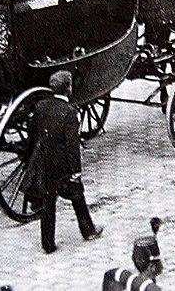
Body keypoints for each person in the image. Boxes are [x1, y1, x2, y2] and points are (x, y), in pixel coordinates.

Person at [27, 70, 104, 254]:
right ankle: (88, 230)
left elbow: (32, 134)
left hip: (46, 164)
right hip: (63, 167)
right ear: (68, 89)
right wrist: (76, 171)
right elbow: (72, 146)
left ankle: (48, 244)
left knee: (48, 203)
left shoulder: (41, 106)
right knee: (77, 196)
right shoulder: (69, 113)